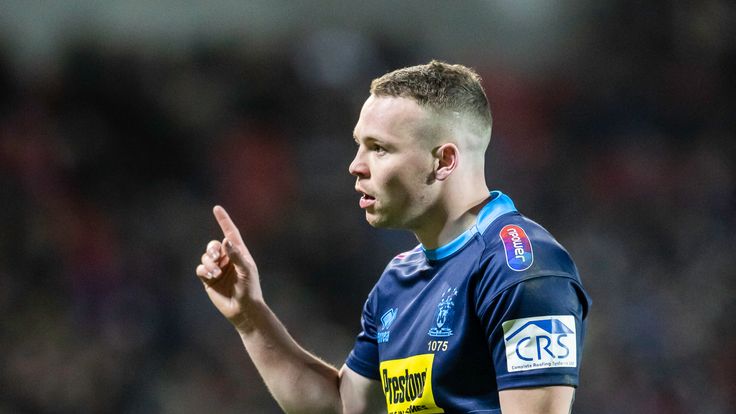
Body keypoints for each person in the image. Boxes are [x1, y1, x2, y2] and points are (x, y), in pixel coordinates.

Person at [195, 60, 591, 414]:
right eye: (359, 146)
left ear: (444, 160)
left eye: (379, 149)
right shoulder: (398, 280)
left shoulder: (521, 269)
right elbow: (343, 406)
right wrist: (251, 317)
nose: (355, 166)